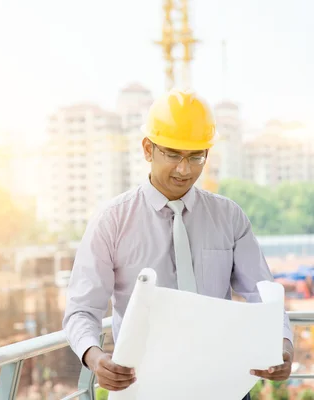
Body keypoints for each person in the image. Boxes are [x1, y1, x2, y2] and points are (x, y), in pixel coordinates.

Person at [62, 89, 294, 398]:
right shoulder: (111, 221)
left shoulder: (229, 217)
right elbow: (81, 309)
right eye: (173, 154)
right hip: (146, 390)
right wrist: (94, 356)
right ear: (148, 148)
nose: (185, 169)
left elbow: (263, 291)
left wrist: (281, 343)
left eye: (196, 156)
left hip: (224, 388)